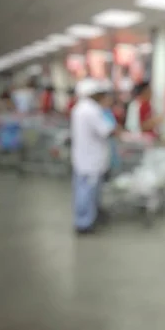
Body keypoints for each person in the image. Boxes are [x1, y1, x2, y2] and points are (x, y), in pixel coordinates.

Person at [71, 79, 118, 235]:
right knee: (87, 192)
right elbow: (105, 131)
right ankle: (84, 223)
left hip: (84, 158)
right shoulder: (91, 110)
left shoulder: (79, 108)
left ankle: (89, 217)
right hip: (91, 159)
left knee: (86, 190)